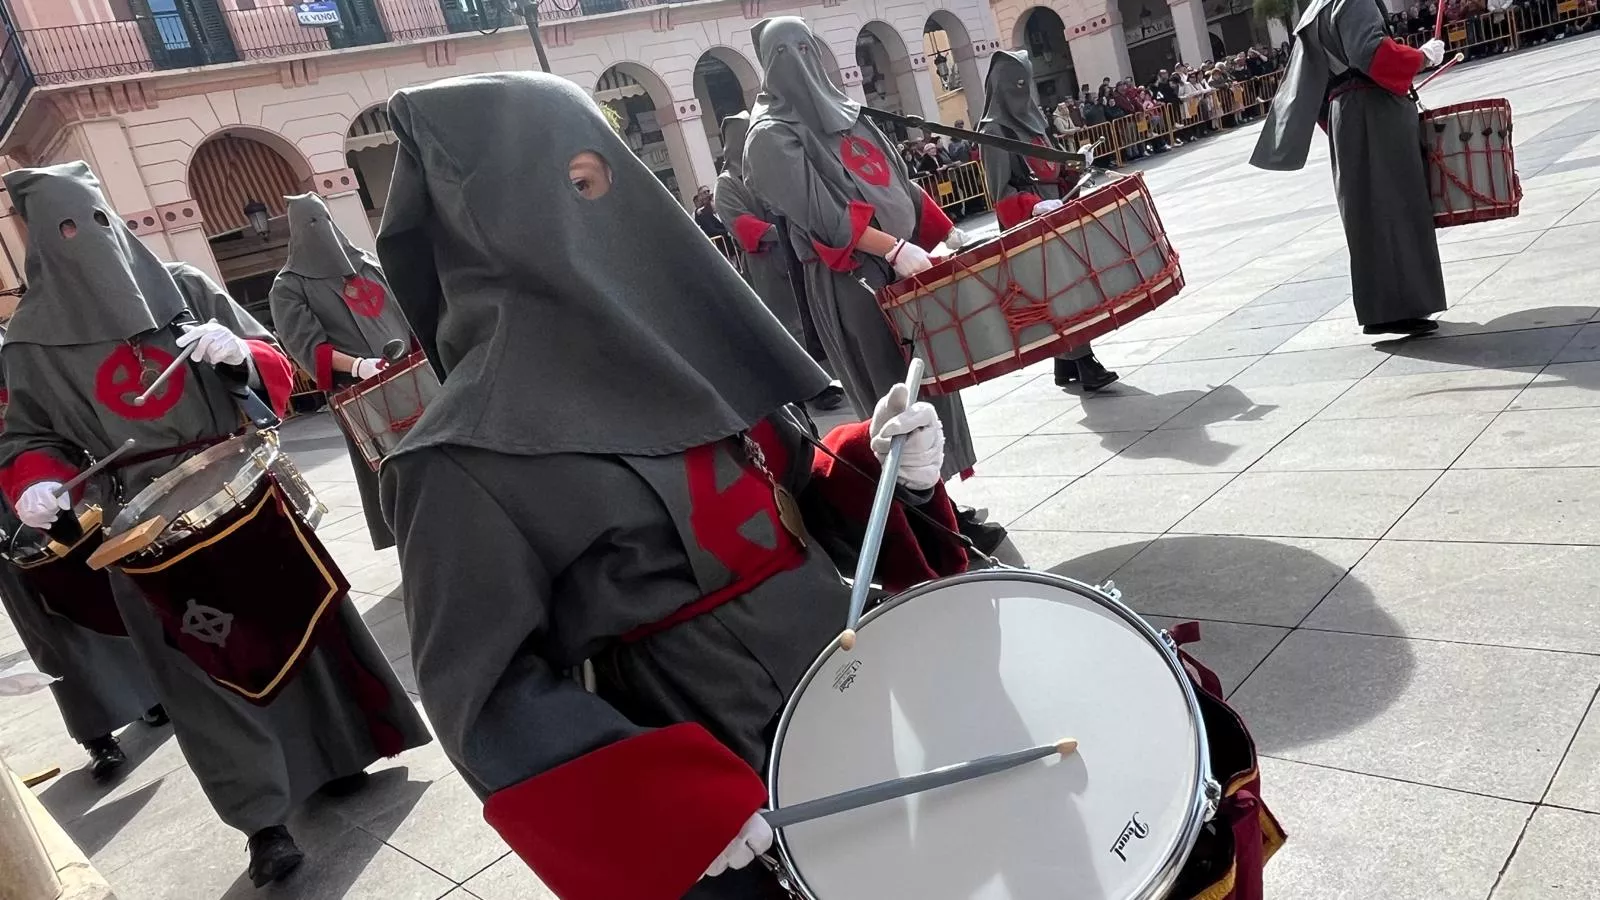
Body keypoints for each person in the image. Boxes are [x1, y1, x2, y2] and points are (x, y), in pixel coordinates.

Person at [373, 70, 972, 899]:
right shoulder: (459, 458)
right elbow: (485, 697)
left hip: (855, 677)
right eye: (577, 186)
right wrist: (668, 804)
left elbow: (783, 491)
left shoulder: (688, 343)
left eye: (611, 175)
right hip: (718, 767)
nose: (613, 207)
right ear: (492, 223)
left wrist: (880, 464)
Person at [0, 162, 432, 887]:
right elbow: (24, 441)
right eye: (68, 229)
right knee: (202, 667)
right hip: (142, 530)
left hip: (241, 488)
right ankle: (262, 821)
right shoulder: (30, 344)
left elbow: (275, 364)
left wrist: (241, 355)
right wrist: (35, 482)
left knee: (303, 625)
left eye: (98, 221)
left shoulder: (185, 287)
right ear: (40, 239)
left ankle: (344, 747)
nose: (90, 240)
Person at [741, 17, 1000, 550]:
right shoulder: (769, 137)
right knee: (895, 396)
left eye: (805, 47)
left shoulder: (851, 115)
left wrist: (944, 234)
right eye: (782, 51)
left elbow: (900, 185)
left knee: (932, 388)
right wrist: (897, 249)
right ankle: (930, 524)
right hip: (852, 278)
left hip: (907, 269)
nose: (798, 59)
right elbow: (828, 218)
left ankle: (944, 503)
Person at [0, 352, 166, 780]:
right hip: (3, 522)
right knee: (45, 630)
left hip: (47, 479)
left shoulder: (12, 347)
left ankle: (149, 694)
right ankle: (97, 735)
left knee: (103, 592)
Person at [1252, 0, 1448, 334]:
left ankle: (1384, 309)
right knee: (1396, 207)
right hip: (1375, 110)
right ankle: (1400, 308)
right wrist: (1424, 56)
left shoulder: (1318, 7)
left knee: (1368, 216)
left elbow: (1315, 76)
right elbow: (1373, 54)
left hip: (1348, 110)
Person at [266, 192, 408, 550]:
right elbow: (307, 347)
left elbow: (403, 313)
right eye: (311, 223)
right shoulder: (288, 287)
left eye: (323, 219)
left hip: (409, 375)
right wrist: (359, 366)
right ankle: (408, 537)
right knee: (388, 470)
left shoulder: (368, 264)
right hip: (356, 392)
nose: (320, 229)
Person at [980, 51, 1119, 391]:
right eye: (1015, 84)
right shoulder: (993, 130)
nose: (1022, 90)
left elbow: (1053, 169)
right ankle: (1085, 363)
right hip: (1029, 219)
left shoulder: (1036, 119)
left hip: (1054, 210)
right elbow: (1000, 193)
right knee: (1058, 291)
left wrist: (1074, 166)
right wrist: (1033, 207)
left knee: (1067, 285)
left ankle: (1065, 365)